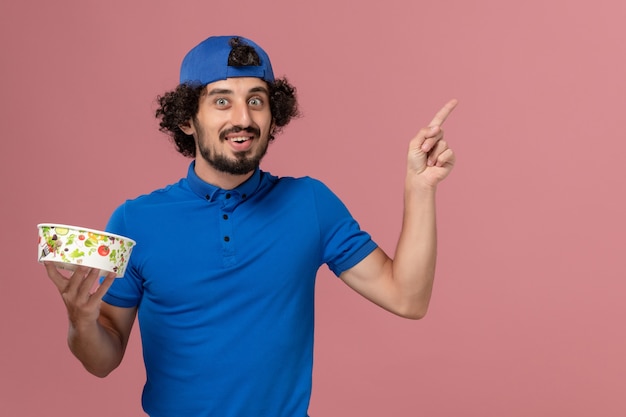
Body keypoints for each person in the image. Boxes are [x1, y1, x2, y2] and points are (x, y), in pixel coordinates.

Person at [45, 35, 457, 417]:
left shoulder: (310, 204)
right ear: (187, 119)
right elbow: (103, 360)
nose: (243, 118)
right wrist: (81, 322)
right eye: (222, 102)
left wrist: (419, 188)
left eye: (256, 100)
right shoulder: (135, 221)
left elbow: (408, 299)